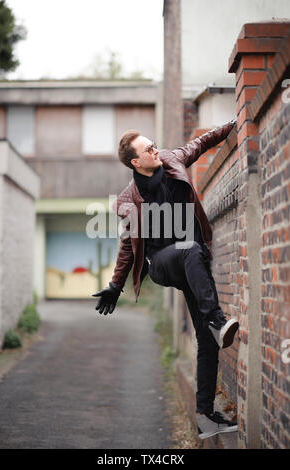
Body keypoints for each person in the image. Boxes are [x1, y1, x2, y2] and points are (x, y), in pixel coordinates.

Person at [92, 119, 239, 439]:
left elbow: (200, 143)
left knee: (208, 341)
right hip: (161, 262)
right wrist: (116, 286)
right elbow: (126, 249)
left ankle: (205, 417)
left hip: (193, 261)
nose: (155, 150)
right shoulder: (129, 200)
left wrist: (236, 121)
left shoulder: (171, 159)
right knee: (191, 251)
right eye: (148, 149)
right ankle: (217, 319)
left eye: (154, 145)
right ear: (136, 162)